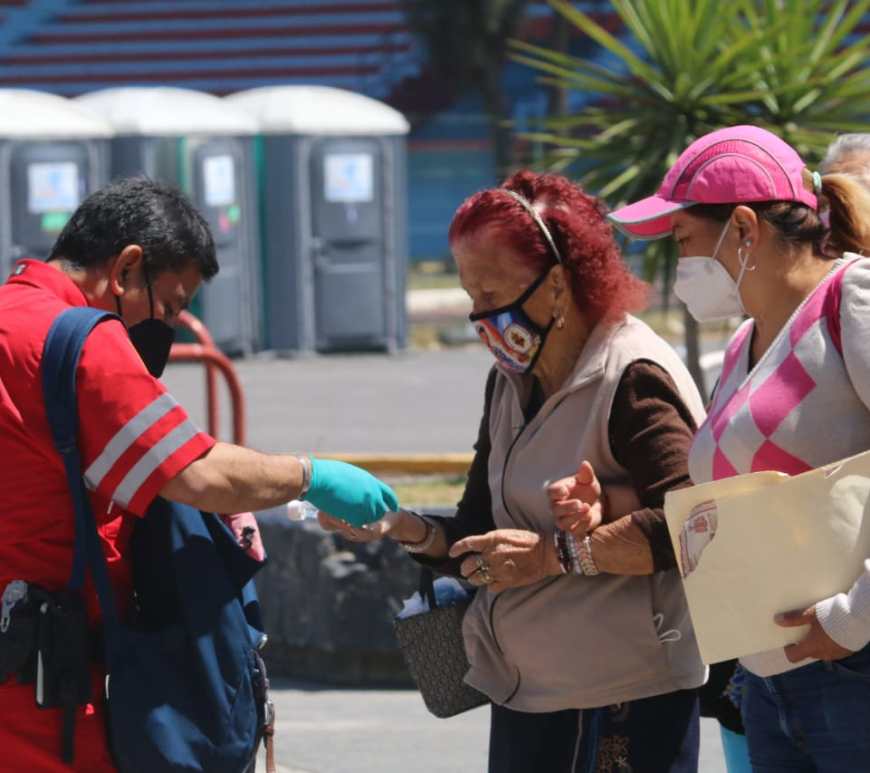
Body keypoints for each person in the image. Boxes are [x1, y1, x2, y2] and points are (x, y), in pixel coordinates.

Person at [0, 178, 397, 771]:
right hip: (44, 697)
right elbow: (198, 472)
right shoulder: (82, 341)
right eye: (169, 306)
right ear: (127, 269)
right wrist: (308, 475)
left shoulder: (11, 317)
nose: (165, 327)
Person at [321, 170, 708, 772]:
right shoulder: (509, 382)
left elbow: (692, 523)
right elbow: (480, 527)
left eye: (492, 294)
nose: (480, 316)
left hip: (623, 701)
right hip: (528, 696)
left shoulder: (632, 375)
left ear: (556, 284)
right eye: (470, 296)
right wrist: (399, 526)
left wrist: (554, 556)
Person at [609, 124, 870, 772]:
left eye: (683, 241)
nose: (679, 267)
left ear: (744, 229)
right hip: (770, 682)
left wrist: (852, 620)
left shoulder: (851, 301)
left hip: (853, 671)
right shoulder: (742, 345)